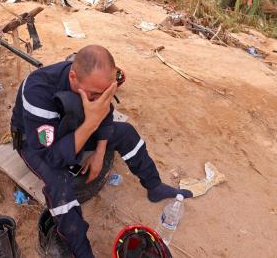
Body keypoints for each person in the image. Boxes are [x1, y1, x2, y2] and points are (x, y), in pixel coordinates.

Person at [10, 45, 192, 258]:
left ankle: (154, 185)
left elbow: (105, 112)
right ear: (73, 77)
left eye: (105, 93)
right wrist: (90, 124)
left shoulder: (95, 86)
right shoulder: (37, 92)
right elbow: (50, 155)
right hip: (37, 144)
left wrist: (99, 151)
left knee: (126, 133)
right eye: (95, 94)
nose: (100, 98)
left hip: (75, 126)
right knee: (60, 186)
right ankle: (82, 252)